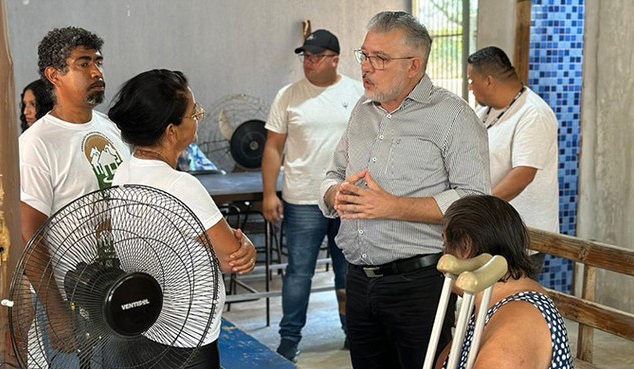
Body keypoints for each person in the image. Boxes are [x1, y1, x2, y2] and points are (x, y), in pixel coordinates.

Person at [319, 11, 490, 369]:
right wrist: (334, 195)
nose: (366, 67)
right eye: (364, 55)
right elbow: (333, 173)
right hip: (359, 280)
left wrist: (393, 206)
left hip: (419, 284)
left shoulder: (454, 117)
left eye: (379, 59)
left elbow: (474, 201)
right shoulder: (362, 112)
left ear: (413, 66)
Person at [109, 69, 258, 368]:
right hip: (187, 339)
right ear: (171, 131)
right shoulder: (183, 187)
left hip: (140, 326)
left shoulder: (122, 173)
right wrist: (245, 248)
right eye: (194, 113)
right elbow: (232, 258)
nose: (199, 116)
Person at [261, 28, 363, 362]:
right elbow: (273, 148)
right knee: (299, 272)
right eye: (306, 56)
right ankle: (289, 338)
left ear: (335, 60)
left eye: (316, 57)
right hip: (302, 198)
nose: (309, 62)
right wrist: (268, 194)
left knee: (347, 271)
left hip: (347, 198)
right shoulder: (288, 96)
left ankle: (352, 333)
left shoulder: (357, 93)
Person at [438, 195, 574, 369]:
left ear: (466, 247)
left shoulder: (516, 326)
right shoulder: (490, 303)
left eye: (445, 244)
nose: (442, 258)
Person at [467, 46, 559, 274]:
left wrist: (477, 210)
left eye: (472, 80)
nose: (470, 87)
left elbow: (523, 175)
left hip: (519, 236)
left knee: (509, 304)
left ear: (489, 81)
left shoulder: (533, 114)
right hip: (490, 231)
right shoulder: (485, 112)